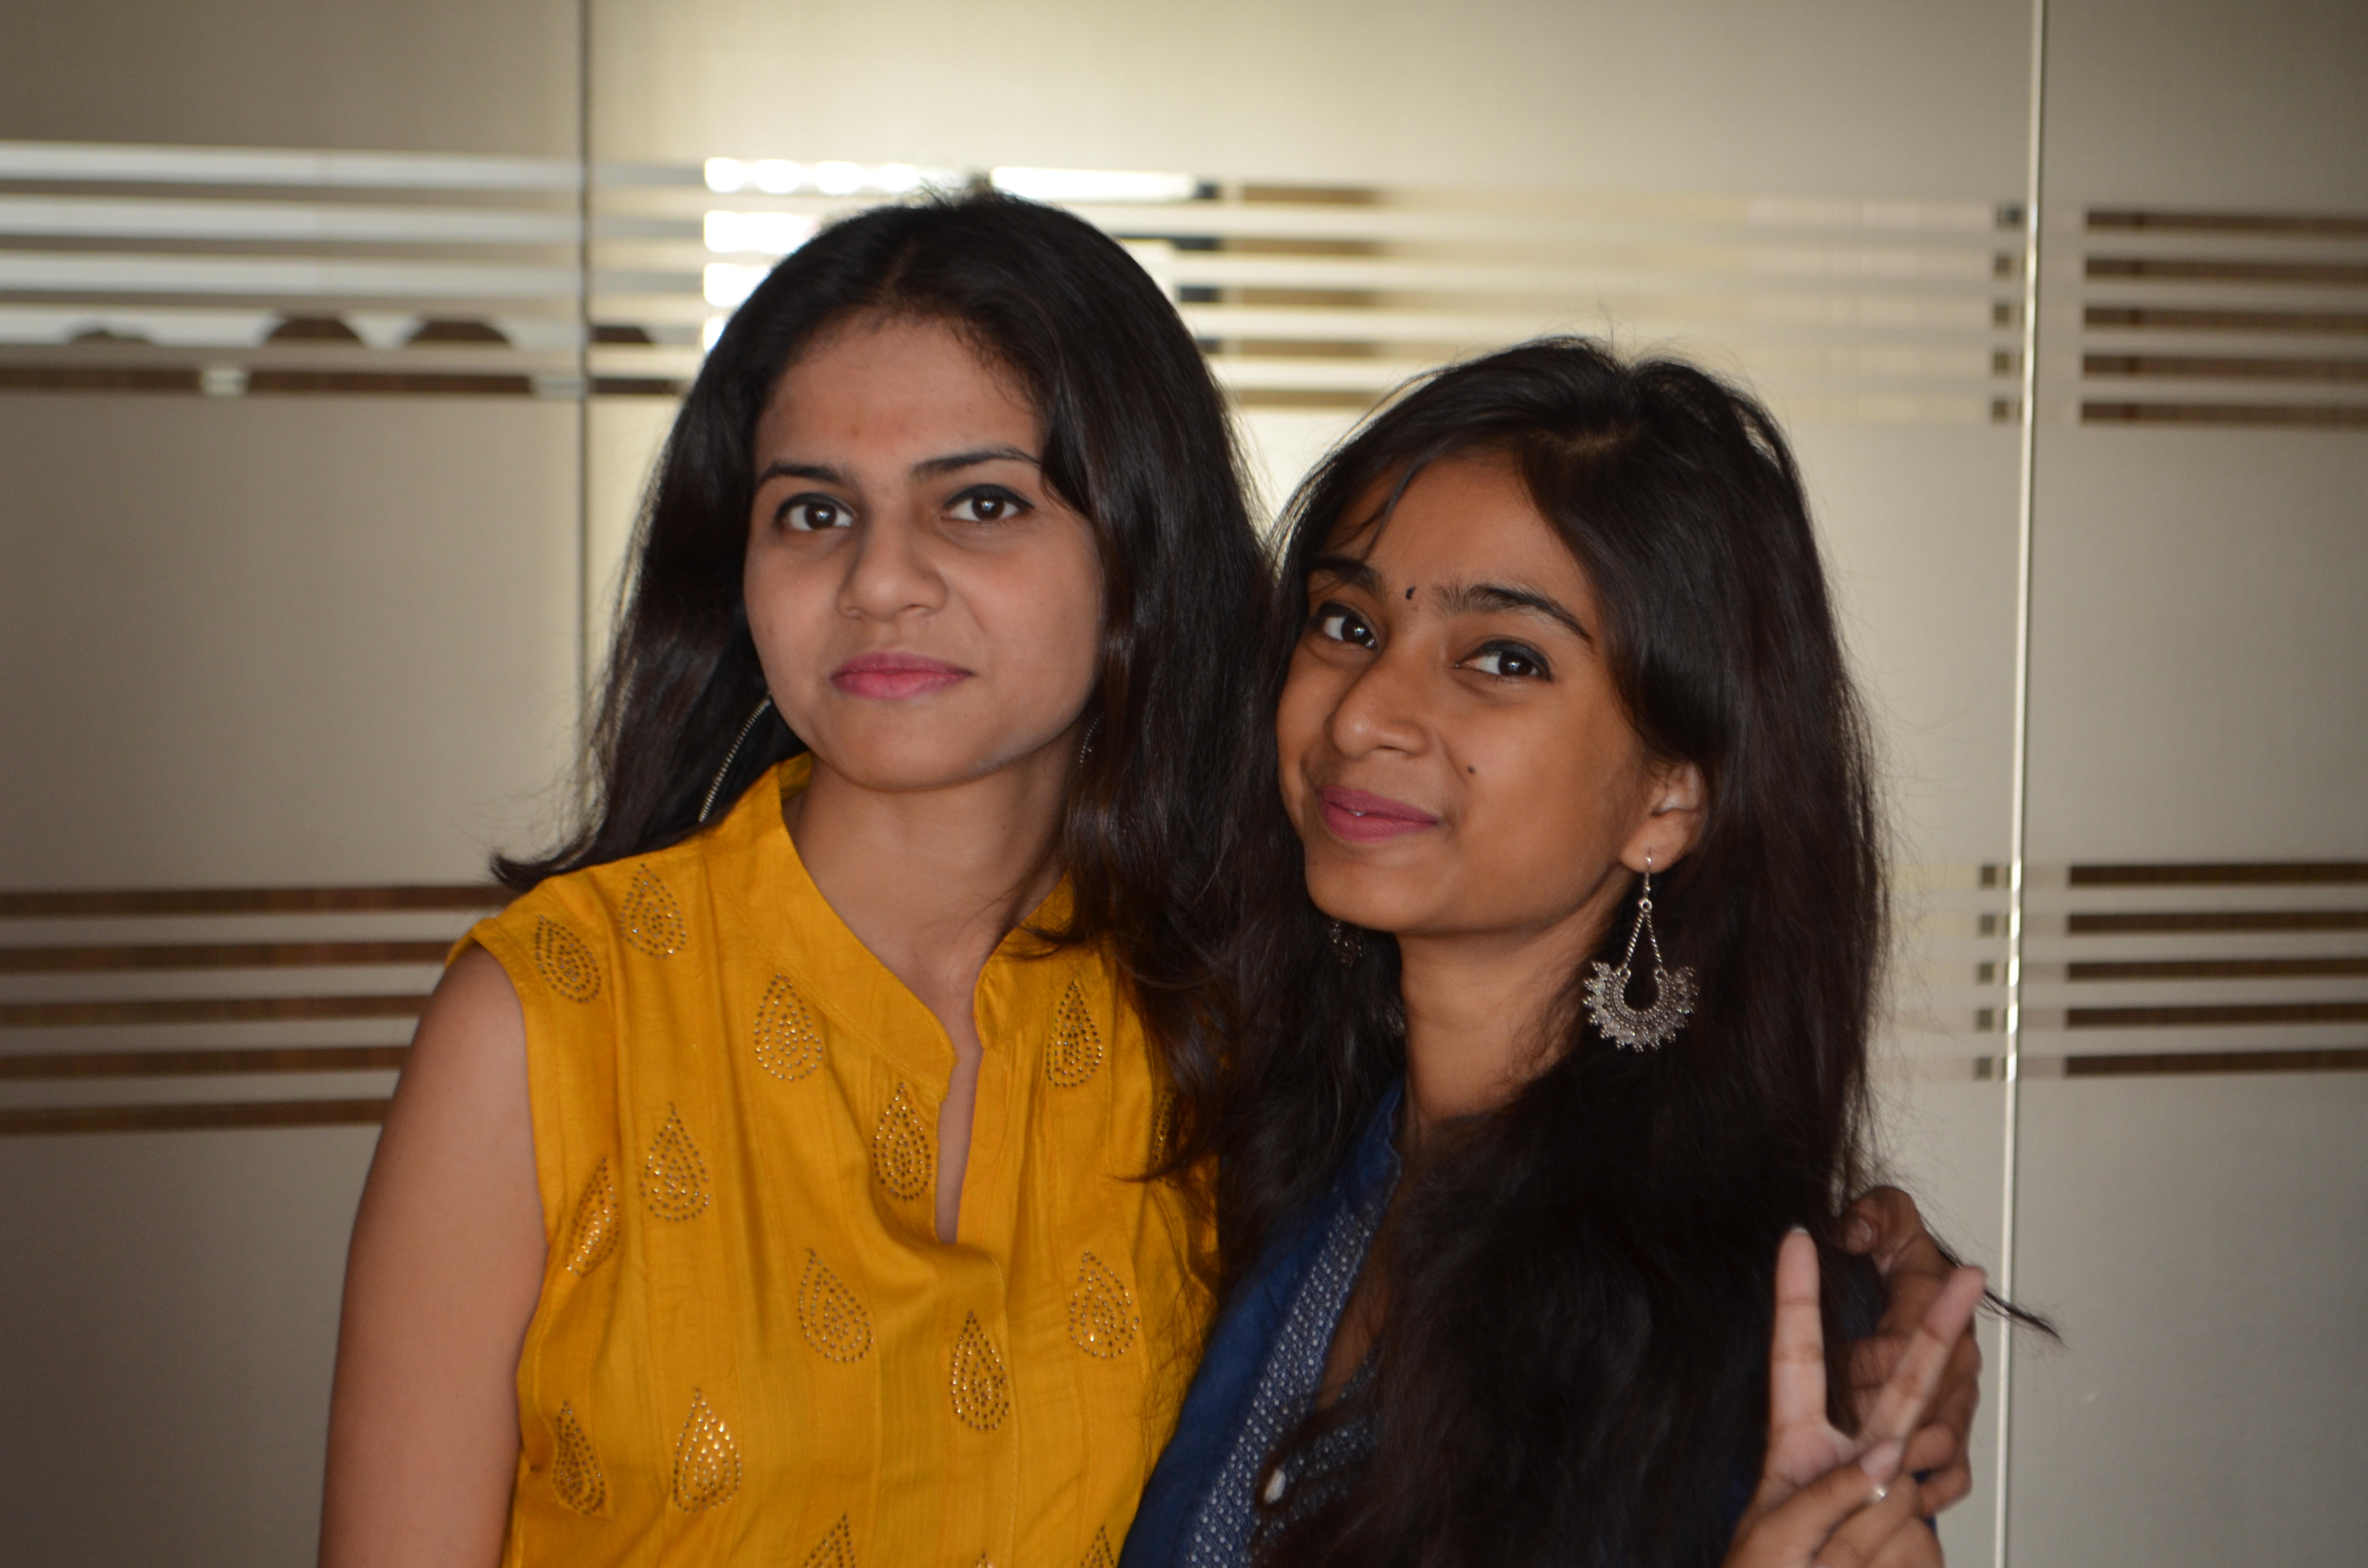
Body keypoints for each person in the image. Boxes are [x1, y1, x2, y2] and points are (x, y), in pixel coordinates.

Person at [322, 196, 1975, 1568]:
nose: (881, 580)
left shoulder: (1224, 1014)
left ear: (1138, 554)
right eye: (810, 511)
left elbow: (1562, 1221)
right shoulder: (554, 1024)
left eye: (980, 503)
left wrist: (1852, 1300)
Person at [1124, 338, 1991, 1568]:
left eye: (1503, 658)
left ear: (1670, 796)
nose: (1362, 714)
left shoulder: (1739, 1341)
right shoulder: (1274, 1155)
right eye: (1346, 622)